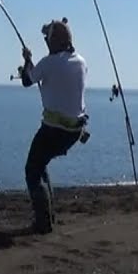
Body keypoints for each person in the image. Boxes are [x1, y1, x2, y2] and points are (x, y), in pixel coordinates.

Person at [18, 17, 88, 234]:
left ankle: (44, 223)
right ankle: (49, 217)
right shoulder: (81, 62)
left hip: (53, 131)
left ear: (53, 42)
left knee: (32, 170)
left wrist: (27, 61)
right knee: (41, 164)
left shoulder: (49, 63)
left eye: (47, 39)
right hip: (74, 132)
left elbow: (28, 80)